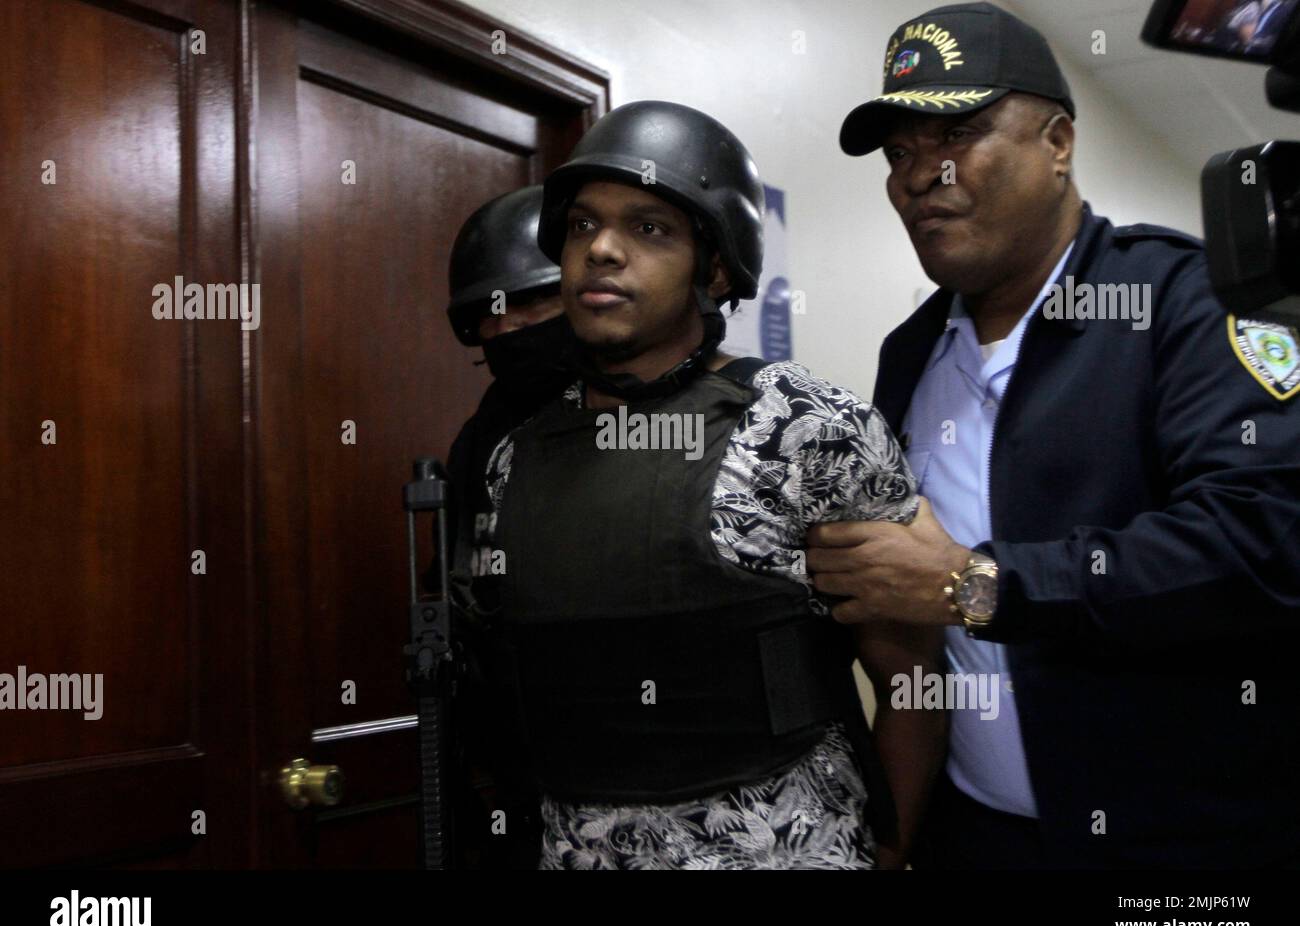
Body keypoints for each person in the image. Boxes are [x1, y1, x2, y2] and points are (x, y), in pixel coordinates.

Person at [817, 1, 1300, 868]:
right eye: (901, 154)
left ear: (1058, 143)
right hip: (976, 839)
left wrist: (978, 585)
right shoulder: (911, 354)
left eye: (957, 133)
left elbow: (1265, 543)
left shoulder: (1185, 300)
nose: (923, 175)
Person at [476, 100, 946, 869]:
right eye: (582, 226)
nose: (602, 251)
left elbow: (913, 683)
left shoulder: (808, 427)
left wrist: (890, 854)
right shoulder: (516, 458)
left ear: (716, 265)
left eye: (649, 228)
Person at [439, 185, 576, 869]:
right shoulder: (481, 441)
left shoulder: (672, 411)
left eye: (529, 303)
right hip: (526, 788)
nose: (506, 329)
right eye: (487, 317)